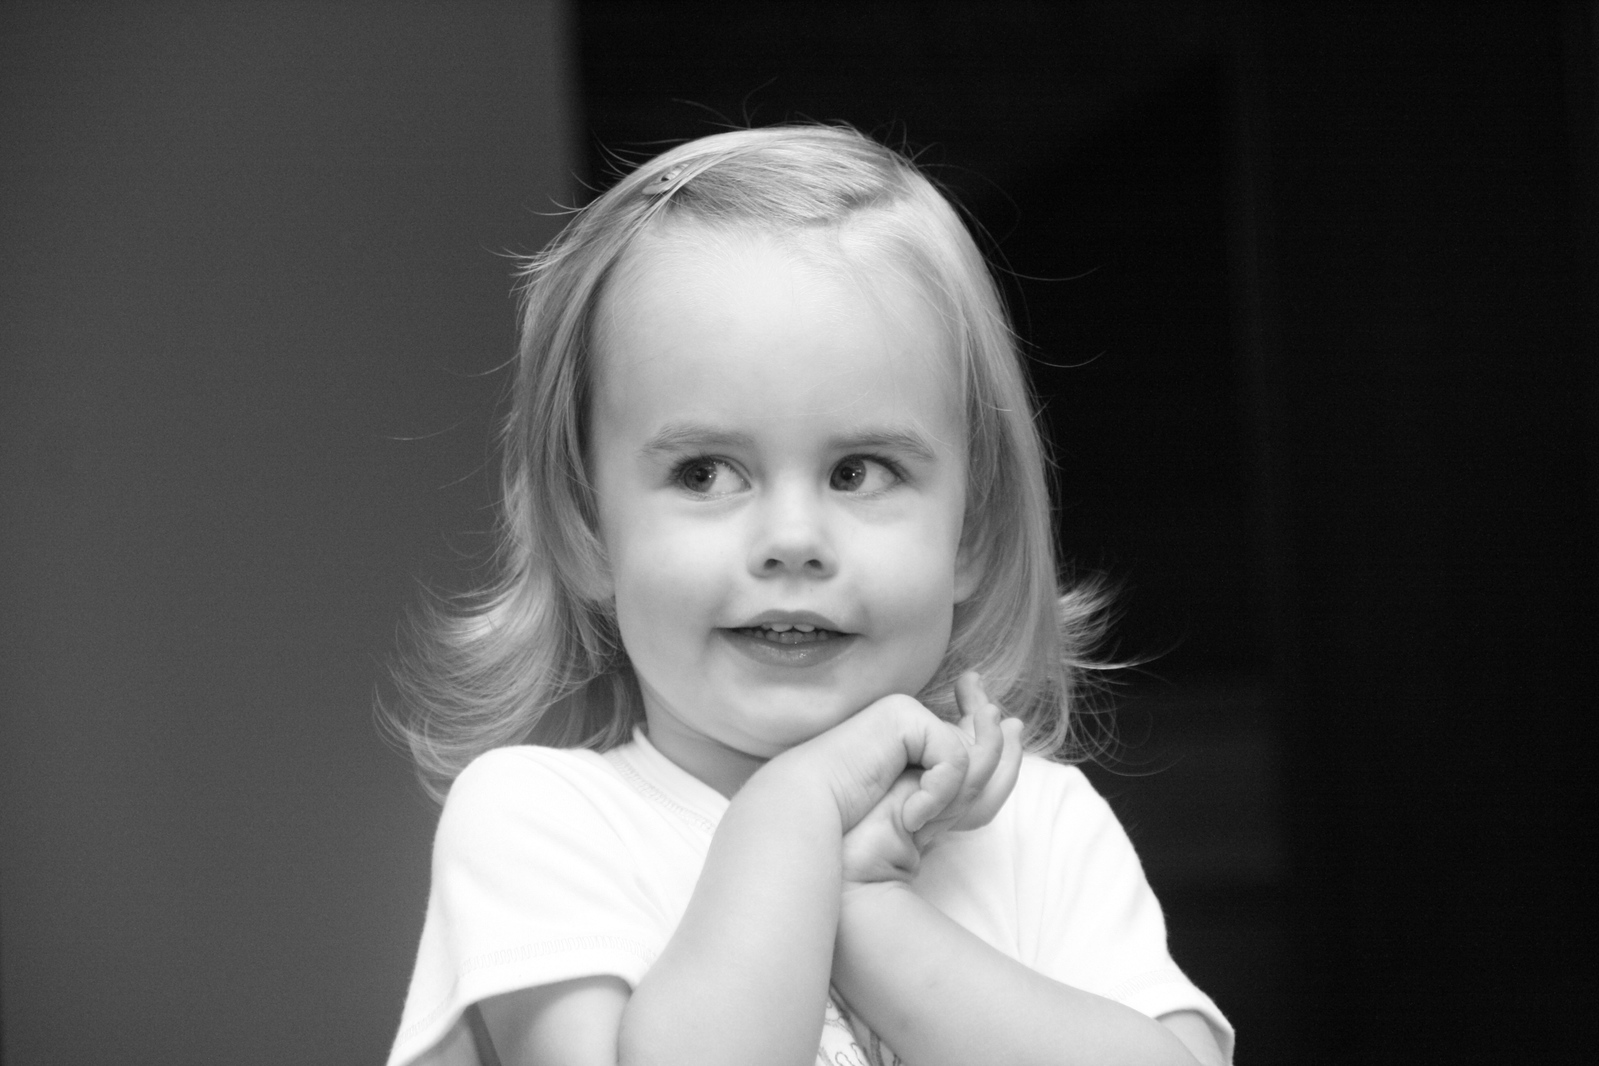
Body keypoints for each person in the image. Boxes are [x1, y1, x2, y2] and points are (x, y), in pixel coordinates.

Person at [385, 125, 1232, 1066]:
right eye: (705, 472)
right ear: (586, 527)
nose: (791, 540)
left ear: (972, 532)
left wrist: (869, 911)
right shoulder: (542, 820)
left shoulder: (1038, 827)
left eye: (857, 471)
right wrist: (799, 807)